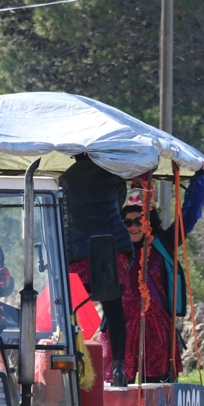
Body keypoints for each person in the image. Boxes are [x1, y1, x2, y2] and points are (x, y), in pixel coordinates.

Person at [118, 168, 204, 382]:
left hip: (157, 332)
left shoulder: (165, 244)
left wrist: (199, 180)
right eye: (127, 222)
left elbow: (188, 214)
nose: (133, 227)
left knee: (157, 390)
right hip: (120, 330)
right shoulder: (116, 248)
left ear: (149, 221)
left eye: (138, 221)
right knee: (118, 390)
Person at [58, 153, 134, 386]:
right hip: (110, 245)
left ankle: (66, 358)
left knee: (67, 309)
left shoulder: (66, 178)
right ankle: (119, 366)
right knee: (113, 306)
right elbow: (119, 200)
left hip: (76, 249)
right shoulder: (114, 169)